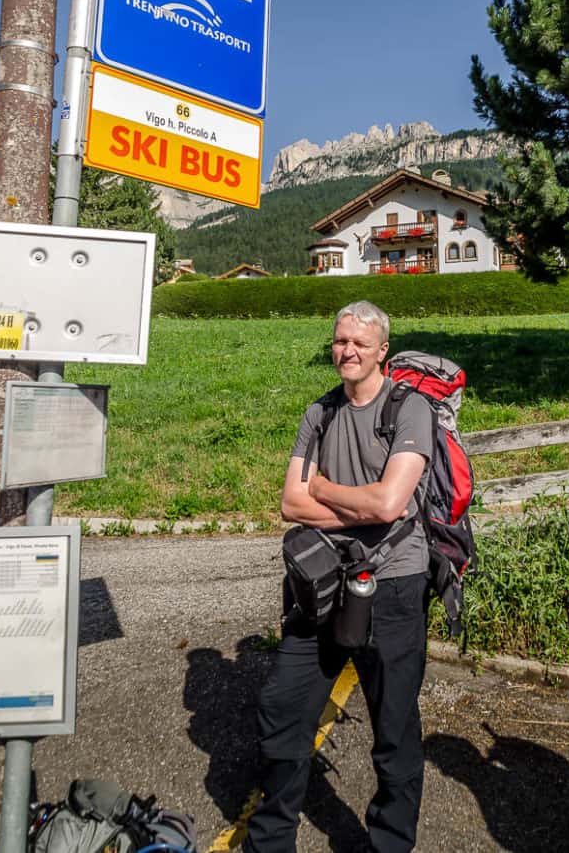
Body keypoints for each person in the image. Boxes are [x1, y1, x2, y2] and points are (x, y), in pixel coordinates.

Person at [244, 300, 433, 853]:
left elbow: (389, 502)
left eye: (359, 343)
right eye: (339, 340)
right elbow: (289, 503)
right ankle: (270, 842)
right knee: (283, 711)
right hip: (321, 582)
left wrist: (323, 489)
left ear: (382, 353)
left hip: (395, 584)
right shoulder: (319, 412)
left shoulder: (409, 410)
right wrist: (359, 506)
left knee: (393, 730)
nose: (346, 351)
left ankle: (389, 843)